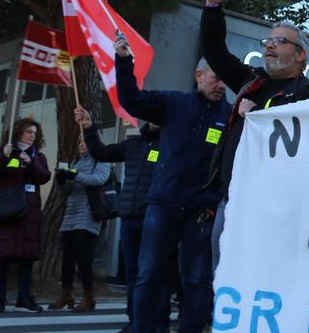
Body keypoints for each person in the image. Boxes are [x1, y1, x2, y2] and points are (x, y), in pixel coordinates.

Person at [200, 0, 309, 265]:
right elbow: (215, 53)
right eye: (268, 41)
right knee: (224, 284)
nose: (270, 45)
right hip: (232, 200)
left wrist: (259, 115)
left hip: (276, 206)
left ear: (300, 54)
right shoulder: (252, 82)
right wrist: (212, 8)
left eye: (280, 41)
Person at [115, 33, 229, 333]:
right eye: (216, 78)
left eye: (225, 80)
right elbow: (132, 100)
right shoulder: (172, 103)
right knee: (149, 274)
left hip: (202, 211)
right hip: (162, 206)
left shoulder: (232, 117)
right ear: (199, 75)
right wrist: (124, 62)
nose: (221, 85)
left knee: (196, 279)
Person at [77, 107, 166, 333]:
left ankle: (158, 323)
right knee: (133, 275)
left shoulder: (172, 145)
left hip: (155, 218)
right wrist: (89, 128)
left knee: (154, 274)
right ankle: (135, 321)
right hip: (129, 217)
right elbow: (102, 153)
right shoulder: (134, 144)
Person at [0, 118, 50, 313]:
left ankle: (24, 297)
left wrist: (31, 163)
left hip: (28, 211)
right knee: (1, 255)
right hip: (7, 208)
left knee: (27, 256)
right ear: (18, 133)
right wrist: (3, 157)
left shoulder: (37, 156)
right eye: (28, 132)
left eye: (34, 132)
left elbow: (44, 176)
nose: (32, 135)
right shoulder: (4, 151)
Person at [49, 134, 112, 313]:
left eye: (85, 141)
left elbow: (98, 179)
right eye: (80, 142)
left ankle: (88, 295)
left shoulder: (101, 161)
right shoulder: (76, 162)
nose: (82, 144)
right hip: (71, 213)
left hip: (89, 213)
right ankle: (66, 293)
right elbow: (67, 190)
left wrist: (75, 175)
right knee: (67, 255)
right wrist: (62, 180)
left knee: (83, 256)